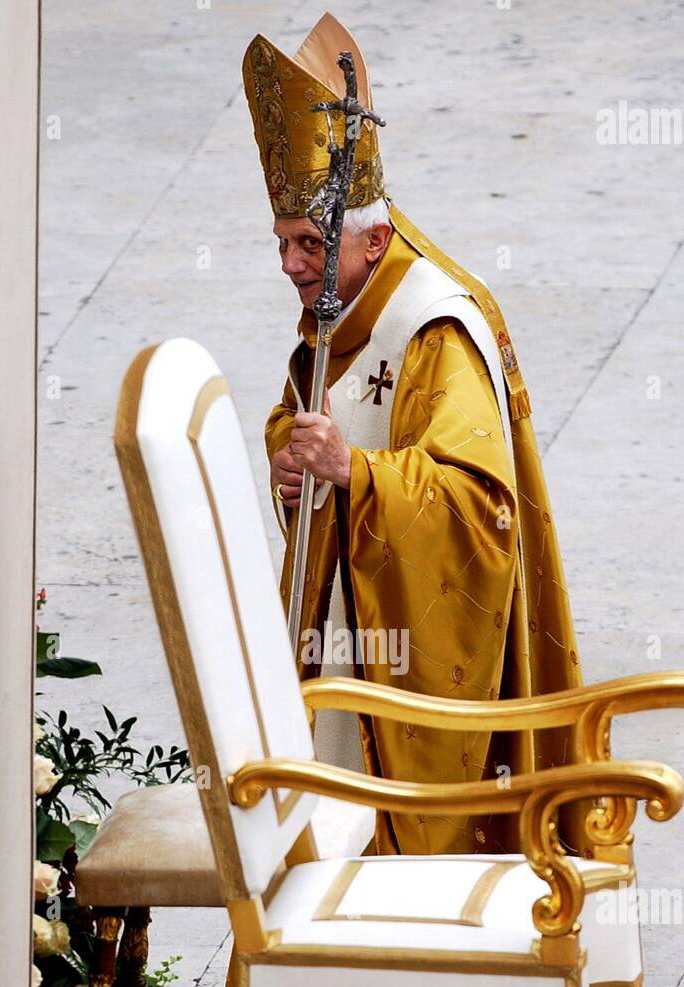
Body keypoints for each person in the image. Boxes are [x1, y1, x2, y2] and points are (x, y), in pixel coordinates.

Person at [243, 13, 589, 857]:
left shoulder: (435, 329)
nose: (291, 264)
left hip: (410, 670)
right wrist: (291, 451)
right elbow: (311, 408)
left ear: (375, 238)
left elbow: (481, 508)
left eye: (308, 244)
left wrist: (354, 471)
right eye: (283, 243)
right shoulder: (338, 306)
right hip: (344, 638)